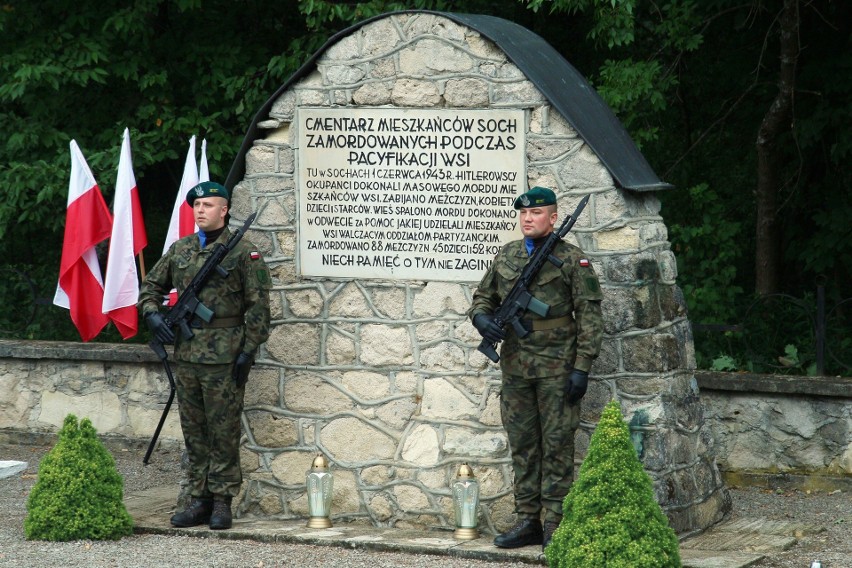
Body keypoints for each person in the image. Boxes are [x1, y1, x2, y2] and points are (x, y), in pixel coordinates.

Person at [468, 186, 603, 550]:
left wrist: (582, 367)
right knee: (524, 445)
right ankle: (528, 519)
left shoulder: (573, 260)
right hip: (515, 368)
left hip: (558, 366)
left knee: (558, 444)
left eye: (537, 213)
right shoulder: (508, 255)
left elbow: (590, 316)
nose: (528, 218)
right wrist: (482, 320)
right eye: (524, 214)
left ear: (553, 218)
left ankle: (555, 523)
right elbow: (483, 297)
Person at [138, 181, 271, 530]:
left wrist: (248, 351)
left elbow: (259, 306)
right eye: (196, 205)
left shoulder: (244, 252)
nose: (200, 210)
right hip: (188, 355)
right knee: (194, 431)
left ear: (224, 210)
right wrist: (153, 315)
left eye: (208, 205)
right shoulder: (180, 249)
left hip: (225, 355)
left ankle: (223, 501)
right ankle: (199, 499)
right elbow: (150, 288)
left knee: (223, 431)